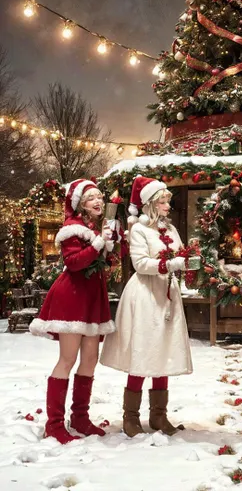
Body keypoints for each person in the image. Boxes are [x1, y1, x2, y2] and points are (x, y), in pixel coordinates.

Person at [100, 176, 193, 437]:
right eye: (163, 201)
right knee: (143, 350)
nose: (167, 205)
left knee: (162, 351)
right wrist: (167, 265)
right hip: (145, 296)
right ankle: (131, 417)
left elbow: (179, 253)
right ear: (151, 204)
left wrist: (188, 261)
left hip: (166, 294)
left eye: (167, 200)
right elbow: (140, 263)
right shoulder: (139, 230)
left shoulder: (171, 230)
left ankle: (159, 417)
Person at [30, 179, 116, 444]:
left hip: (92, 299)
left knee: (90, 359)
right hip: (72, 297)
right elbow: (74, 263)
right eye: (91, 198)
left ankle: (80, 417)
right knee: (67, 359)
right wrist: (98, 245)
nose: (98, 201)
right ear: (80, 204)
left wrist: (111, 248)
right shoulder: (71, 229)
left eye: (100, 196)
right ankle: (54, 424)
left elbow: (103, 263)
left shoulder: (97, 228)